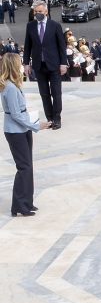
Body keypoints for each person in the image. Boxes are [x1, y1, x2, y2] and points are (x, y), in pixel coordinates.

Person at [1, 53, 52, 216]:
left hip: (22, 129)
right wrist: (36, 126)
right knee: (24, 167)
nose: (22, 66)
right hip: (15, 131)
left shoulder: (14, 85)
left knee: (28, 166)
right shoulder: (9, 88)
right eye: (20, 63)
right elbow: (15, 114)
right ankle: (19, 205)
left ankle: (27, 202)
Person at [23, 0, 66, 130]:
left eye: (40, 11)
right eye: (36, 12)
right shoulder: (30, 26)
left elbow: (61, 46)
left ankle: (57, 118)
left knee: (56, 93)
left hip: (54, 65)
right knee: (44, 94)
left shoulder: (55, 26)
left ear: (46, 12)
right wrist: (26, 63)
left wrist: (63, 64)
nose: (38, 14)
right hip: (39, 65)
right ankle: (50, 119)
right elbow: (28, 46)